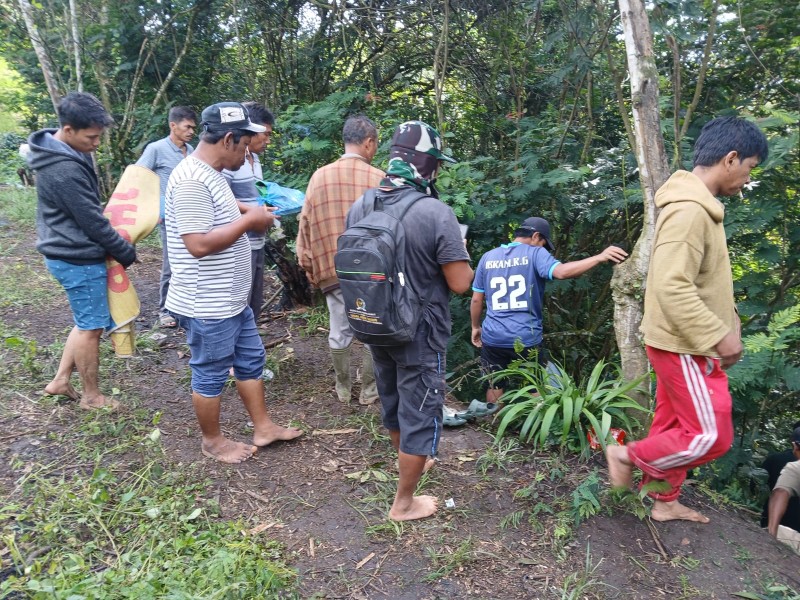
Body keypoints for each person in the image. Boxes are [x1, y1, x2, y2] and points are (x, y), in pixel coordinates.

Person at [605, 116, 769, 523]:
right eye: (750, 167)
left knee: (673, 426)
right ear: (730, 158)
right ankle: (624, 455)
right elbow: (670, 285)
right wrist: (719, 335)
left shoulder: (700, 208)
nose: (749, 178)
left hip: (684, 340)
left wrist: (729, 321)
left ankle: (664, 501)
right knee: (711, 435)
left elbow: (704, 281)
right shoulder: (690, 211)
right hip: (684, 344)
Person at [345, 120, 473, 520]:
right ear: (426, 163)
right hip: (419, 331)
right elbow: (460, 283)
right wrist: (462, 249)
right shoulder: (435, 212)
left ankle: (410, 460)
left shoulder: (362, 204)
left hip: (374, 321)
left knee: (394, 400)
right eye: (437, 163)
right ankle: (404, 503)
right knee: (420, 409)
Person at [164, 102, 302, 463]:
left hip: (231, 298)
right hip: (207, 303)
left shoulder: (212, 172)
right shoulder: (193, 180)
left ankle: (263, 427)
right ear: (228, 139)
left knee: (250, 359)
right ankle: (212, 441)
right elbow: (197, 244)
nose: (248, 151)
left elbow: (221, 212)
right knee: (210, 373)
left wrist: (251, 211)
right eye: (244, 144)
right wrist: (249, 222)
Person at [28, 91, 137, 410]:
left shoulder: (65, 150)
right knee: (92, 327)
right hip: (76, 256)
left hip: (65, 250)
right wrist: (125, 251)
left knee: (86, 320)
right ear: (68, 129)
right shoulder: (63, 169)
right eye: (91, 137)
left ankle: (60, 380)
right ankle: (92, 396)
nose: (96, 143)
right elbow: (92, 221)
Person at [469, 217, 627, 416]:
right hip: (526, 337)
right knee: (536, 384)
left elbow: (476, 300)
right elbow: (561, 272)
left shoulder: (488, 257)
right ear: (536, 236)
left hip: (493, 336)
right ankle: (538, 426)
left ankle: (493, 423)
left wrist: (475, 327)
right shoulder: (535, 253)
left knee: (495, 382)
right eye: (544, 243)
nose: (544, 248)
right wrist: (599, 257)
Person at [296, 115, 383, 405]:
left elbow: (305, 225)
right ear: (368, 142)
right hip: (372, 271)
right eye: (375, 144)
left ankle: (343, 386)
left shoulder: (319, 177)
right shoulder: (380, 179)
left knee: (339, 328)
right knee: (373, 329)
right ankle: (369, 390)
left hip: (333, 267)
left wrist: (309, 265)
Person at [136, 106, 197, 328]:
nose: (191, 131)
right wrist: (153, 208)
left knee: (191, 262)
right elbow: (139, 176)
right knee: (171, 264)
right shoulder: (156, 149)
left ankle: (186, 308)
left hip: (193, 216)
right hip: (169, 217)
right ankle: (165, 311)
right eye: (187, 127)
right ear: (173, 125)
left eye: (193, 127)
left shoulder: (192, 150)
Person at [222, 102, 275, 320]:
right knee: (239, 304)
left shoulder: (256, 160)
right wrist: (254, 212)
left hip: (257, 240)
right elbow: (222, 198)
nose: (268, 141)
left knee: (254, 303)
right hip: (239, 243)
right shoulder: (231, 161)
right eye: (266, 134)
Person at [764, 422, 800, 534]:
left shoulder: (775, 459)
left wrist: (772, 534)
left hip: (782, 523)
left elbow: (779, 492)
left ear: (794, 444)